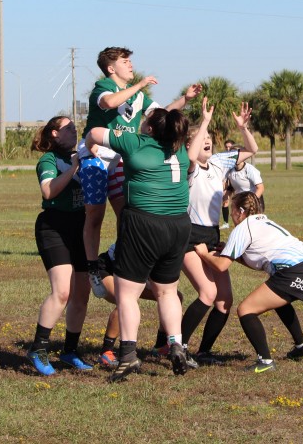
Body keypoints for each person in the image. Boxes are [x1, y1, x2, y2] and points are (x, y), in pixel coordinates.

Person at [85, 99, 208, 382]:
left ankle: (128, 355)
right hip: (178, 225)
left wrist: (93, 148)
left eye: (145, 119)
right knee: (167, 292)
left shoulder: (136, 143)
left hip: (143, 222)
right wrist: (205, 121)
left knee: (127, 293)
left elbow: (93, 132)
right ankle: (176, 344)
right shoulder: (178, 152)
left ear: (150, 128)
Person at [78, 46, 201, 297]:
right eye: (125, 61)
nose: (131, 65)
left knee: (129, 213)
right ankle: (93, 268)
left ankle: (118, 260)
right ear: (111, 68)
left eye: (130, 61)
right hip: (95, 154)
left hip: (122, 156)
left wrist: (185, 99)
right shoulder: (103, 88)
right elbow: (111, 102)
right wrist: (141, 83)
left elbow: (161, 114)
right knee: (95, 215)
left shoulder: (138, 96)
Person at [194, 191, 303, 374]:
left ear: (240, 211)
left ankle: (265, 361)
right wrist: (233, 253)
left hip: (297, 271)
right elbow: (259, 260)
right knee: (279, 299)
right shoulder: (265, 222)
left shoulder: (243, 228)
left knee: (246, 309)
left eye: (232, 210)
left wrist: (202, 254)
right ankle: (301, 347)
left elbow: (221, 266)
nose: (231, 215)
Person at [179, 102, 257, 366]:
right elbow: (190, 156)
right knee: (207, 293)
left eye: (210, 138)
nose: (208, 141)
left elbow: (252, 149)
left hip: (211, 236)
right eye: (203, 139)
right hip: (188, 237)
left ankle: (204, 352)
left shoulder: (218, 163)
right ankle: (178, 346)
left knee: (224, 300)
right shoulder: (188, 168)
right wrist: (204, 122)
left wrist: (243, 128)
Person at [25, 116, 94, 376]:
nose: (75, 131)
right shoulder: (49, 161)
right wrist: (74, 168)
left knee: (82, 293)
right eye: (69, 128)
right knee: (62, 292)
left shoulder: (82, 156)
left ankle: (69, 351)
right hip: (54, 228)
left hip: (80, 228)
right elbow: (48, 191)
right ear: (54, 133)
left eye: (76, 128)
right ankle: (38, 348)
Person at [92, 242, 184, 369]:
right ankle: (106, 352)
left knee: (175, 297)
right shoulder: (138, 240)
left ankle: (161, 346)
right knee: (124, 302)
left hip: (137, 275)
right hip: (109, 269)